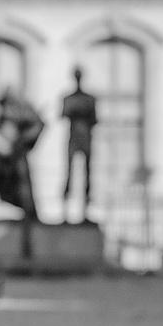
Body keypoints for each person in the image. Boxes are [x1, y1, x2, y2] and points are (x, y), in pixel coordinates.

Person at [0, 84, 47, 221]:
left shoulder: (24, 110)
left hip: (16, 152)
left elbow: (37, 125)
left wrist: (22, 141)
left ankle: (30, 215)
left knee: (23, 182)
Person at [59, 68, 98, 222]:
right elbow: (63, 114)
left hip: (84, 138)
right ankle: (66, 212)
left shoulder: (88, 99)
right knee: (70, 173)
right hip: (75, 138)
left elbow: (94, 119)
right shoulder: (70, 98)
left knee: (87, 174)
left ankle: (85, 212)